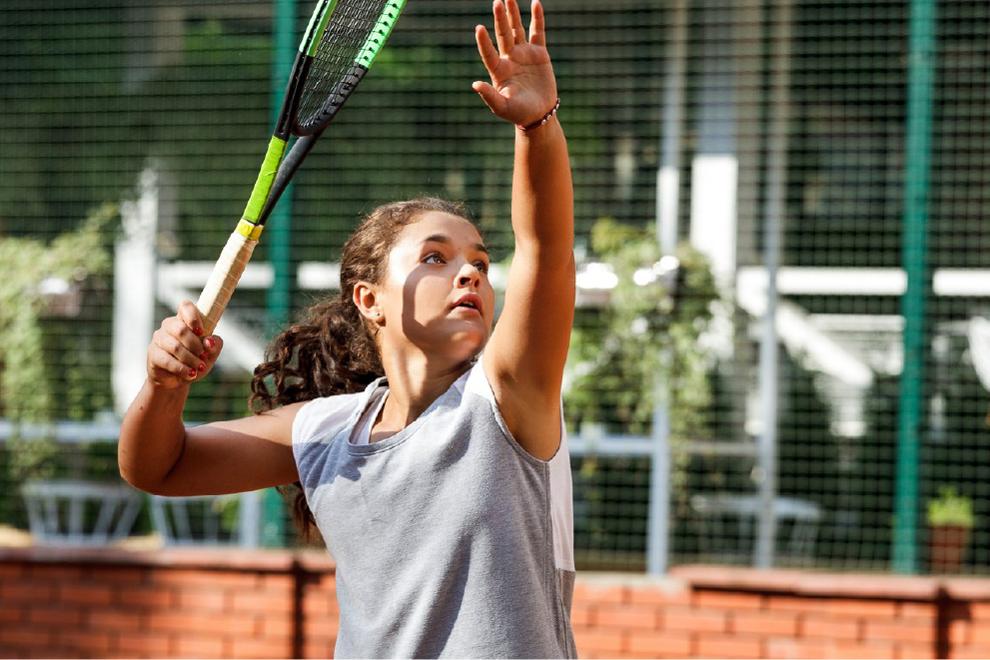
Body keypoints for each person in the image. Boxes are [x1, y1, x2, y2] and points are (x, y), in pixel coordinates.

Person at [119, 0, 575, 656]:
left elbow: (544, 250)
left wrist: (537, 125)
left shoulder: (506, 400)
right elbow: (158, 467)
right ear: (370, 299)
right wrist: (164, 387)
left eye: (479, 262)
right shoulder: (327, 431)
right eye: (435, 258)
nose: (470, 274)